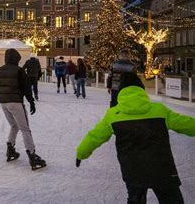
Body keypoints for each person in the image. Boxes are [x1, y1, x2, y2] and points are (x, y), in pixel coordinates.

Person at [76, 72, 195, 203]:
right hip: (161, 166)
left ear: (121, 91)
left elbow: (95, 136)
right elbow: (186, 123)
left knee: (136, 199)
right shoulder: (159, 110)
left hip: (132, 168)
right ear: (141, 90)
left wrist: (81, 152)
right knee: (171, 199)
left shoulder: (113, 115)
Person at [0, 49, 46, 170]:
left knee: (14, 126)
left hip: (4, 103)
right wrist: (31, 102)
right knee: (25, 128)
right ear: (16, 59)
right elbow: (26, 88)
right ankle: (32, 155)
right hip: (15, 102)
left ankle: (10, 149)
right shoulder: (19, 71)